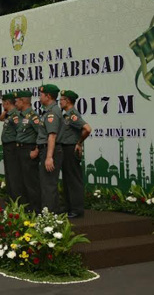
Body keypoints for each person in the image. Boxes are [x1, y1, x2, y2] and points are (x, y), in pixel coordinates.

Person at [59, 90, 92, 218]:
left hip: (70, 148)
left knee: (73, 179)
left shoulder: (72, 115)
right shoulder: (66, 115)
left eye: (61, 100)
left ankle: (77, 209)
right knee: (67, 179)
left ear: (67, 101)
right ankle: (68, 207)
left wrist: (79, 143)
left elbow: (87, 129)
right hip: (65, 148)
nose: (60, 102)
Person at [37, 84, 65, 213]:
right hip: (47, 150)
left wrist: (49, 157)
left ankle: (48, 216)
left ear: (48, 96)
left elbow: (52, 136)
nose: (39, 97)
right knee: (48, 185)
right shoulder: (49, 111)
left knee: (48, 185)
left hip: (50, 151)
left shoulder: (52, 113)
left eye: (41, 95)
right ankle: (54, 214)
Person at [15, 90, 41, 212]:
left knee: (31, 182)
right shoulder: (20, 116)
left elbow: (41, 134)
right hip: (19, 149)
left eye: (17, 101)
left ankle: (35, 209)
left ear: (23, 101)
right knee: (21, 181)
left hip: (29, 150)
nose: (15, 104)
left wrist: (36, 150)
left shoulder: (33, 116)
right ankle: (25, 207)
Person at [0, 93, 21, 202]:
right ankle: (10, 196)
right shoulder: (9, 114)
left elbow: (20, 130)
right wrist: (7, 110)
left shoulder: (15, 114)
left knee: (13, 174)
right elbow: (1, 118)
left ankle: (15, 198)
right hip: (7, 147)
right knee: (8, 173)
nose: (2, 105)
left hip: (13, 147)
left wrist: (11, 109)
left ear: (7, 102)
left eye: (3, 103)